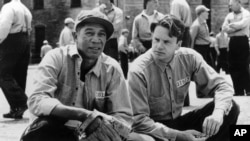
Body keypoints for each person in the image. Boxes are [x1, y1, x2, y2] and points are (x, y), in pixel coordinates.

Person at [128, 15, 239, 141]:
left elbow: (223, 86)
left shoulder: (189, 58)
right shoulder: (138, 70)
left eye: (166, 42)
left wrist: (218, 113)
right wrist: (178, 135)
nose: (159, 46)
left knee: (230, 107)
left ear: (178, 45)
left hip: (178, 122)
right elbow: (139, 121)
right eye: (156, 40)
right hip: (152, 129)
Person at [27, 10, 133, 140]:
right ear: (75, 36)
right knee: (43, 127)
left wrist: (105, 129)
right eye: (89, 33)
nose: (96, 40)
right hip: (56, 133)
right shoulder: (56, 57)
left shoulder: (112, 68)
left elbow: (123, 115)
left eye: (101, 34)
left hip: (92, 136)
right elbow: (37, 99)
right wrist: (83, 115)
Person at [0, 0, 32, 119]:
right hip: (25, 39)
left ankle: (21, 102)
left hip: (11, 40)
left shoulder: (8, 7)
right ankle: (16, 109)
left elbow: (3, 27)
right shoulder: (25, 8)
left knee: (3, 74)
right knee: (19, 75)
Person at [222, 0, 250, 96]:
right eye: (229, 5)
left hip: (243, 41)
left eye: (232, 5)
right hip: (232, 42)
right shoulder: (229, 15)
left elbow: (243, 24)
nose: (230, 7)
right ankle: (238, 90)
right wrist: (236, 28)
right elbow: (224, 28)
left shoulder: (246, 14)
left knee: (243, 65)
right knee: (233, 66)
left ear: (238, 3)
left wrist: (231, 27)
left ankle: (248, 89)